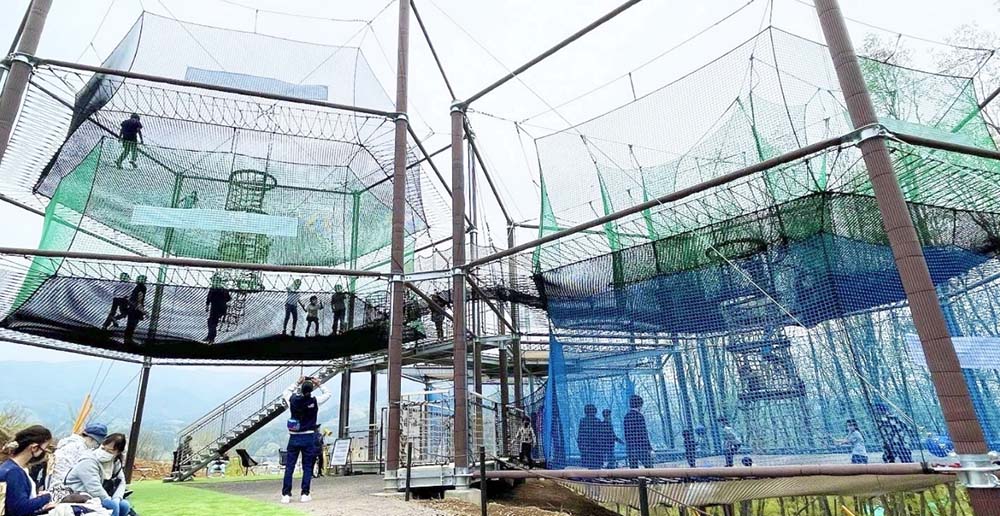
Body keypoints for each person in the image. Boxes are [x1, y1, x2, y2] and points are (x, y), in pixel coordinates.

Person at [281, 376, 332, 504]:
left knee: (289, 467)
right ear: (311, 390)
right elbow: (328, 394)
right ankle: (305, 493)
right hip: (309, 436)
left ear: (301, 389)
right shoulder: (314, 401)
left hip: (294, 437)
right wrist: (319, 384)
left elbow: (285, 393)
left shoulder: (293, 400)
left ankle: (286, 495)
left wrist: (297, 382)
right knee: (307, 466)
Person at [65, 433, 132, 516]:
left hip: (97, 497)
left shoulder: (115, 463)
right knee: (112, 506)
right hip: (78, 496)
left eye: (109, 451)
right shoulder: (88, 461)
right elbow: (94, 488)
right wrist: (109, 501)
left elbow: (121, 482)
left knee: (124, 505)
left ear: (117, 453)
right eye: (103, 448)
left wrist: (117, 498)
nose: (104, 452)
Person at [0, 425, 55, 516]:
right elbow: (20, 509)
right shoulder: (14, 473)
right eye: (45, 448)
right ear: (34, 448)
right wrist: (47, 497)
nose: (45, 452)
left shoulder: (7, 466)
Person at [48, 423, 108, 502]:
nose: (96, 446)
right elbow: (88, 477)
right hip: (63, 490)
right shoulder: (79, 449)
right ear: (91, 438)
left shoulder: (69, 444)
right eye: (97, 443)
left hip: (56, 487)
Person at [623, 395, 653, 468]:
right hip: (641, 447)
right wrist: (649, 447)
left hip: (631, 448)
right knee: (649, 468)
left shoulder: (626, 417)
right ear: (640, 405)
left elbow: (626, 434)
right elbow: (643, 433)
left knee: (634, 471)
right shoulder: (640, 416)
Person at [205, 276, 231, 345]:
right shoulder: (224, 289)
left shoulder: (213, 288)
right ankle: (210, 337)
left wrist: (207, 305)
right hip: (223, 308)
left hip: (215, 308)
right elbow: (228, 298)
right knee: (213, 322)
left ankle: (211, 338)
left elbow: (209, 297)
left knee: (211, 322)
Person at [123, 275, 147, 346]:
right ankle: (128, 340)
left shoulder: (136, 287)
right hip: (135, 309)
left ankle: (127, 340)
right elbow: (140, 297)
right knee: (132, 325)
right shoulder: (142, 287)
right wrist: (142, 310)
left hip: (132, 308)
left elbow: (132, 298)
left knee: (129, 325)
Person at [576, 404, 602, 469]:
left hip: (590, 448)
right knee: (594, 466)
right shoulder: (596, 421)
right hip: (593, 448)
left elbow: (580, 435)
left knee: (590, 466)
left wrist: (580, 445)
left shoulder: (584, 421)